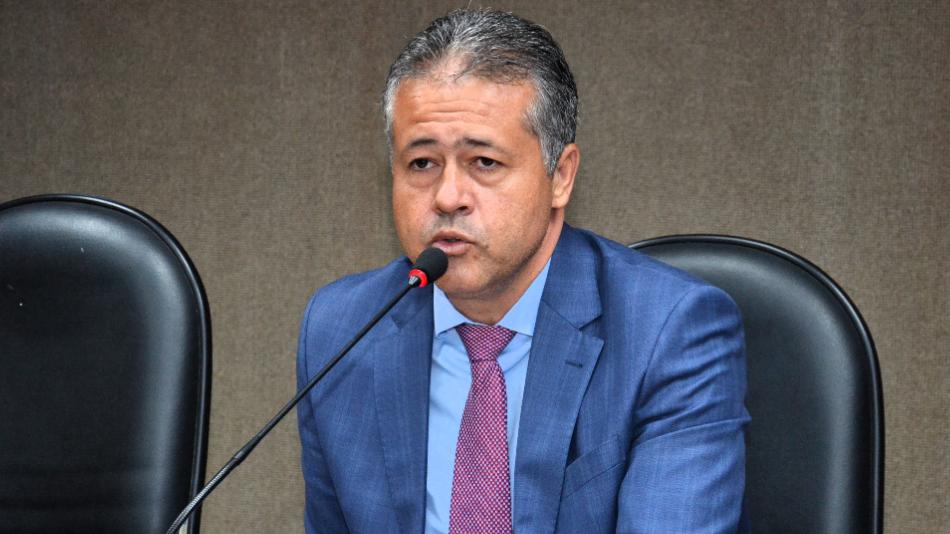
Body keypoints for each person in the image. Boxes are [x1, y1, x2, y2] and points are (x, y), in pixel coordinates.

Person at [297, 9, 748, 533]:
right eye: (422, 163)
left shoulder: (667, 333)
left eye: (484, 162)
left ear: (561, 176)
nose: (447, 197)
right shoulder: (342, 330)